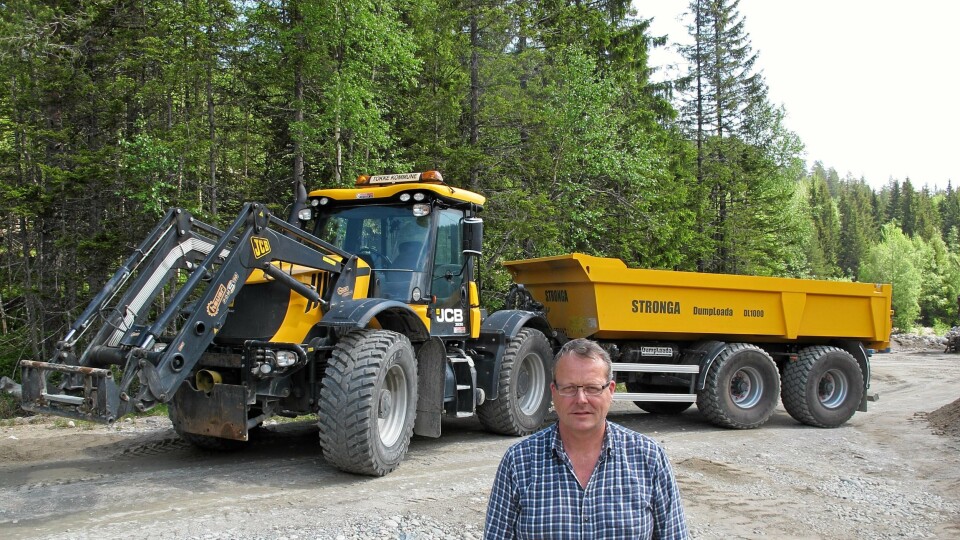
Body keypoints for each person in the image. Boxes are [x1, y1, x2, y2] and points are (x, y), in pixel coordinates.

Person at [483, 338, 689, 539]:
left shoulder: (649, 458)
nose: (581, 399)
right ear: (554, 392)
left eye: (592, 388)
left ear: (610, 391)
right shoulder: (518, 461)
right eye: (569, 388)